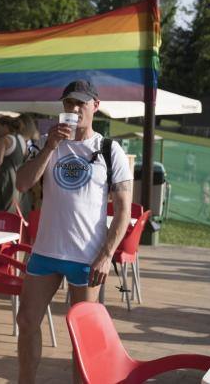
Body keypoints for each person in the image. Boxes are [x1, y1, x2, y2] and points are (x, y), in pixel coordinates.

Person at [15, 79, 133, 384]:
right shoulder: (47, 142)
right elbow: (22, 183)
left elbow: (123, 211)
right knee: (26, 321)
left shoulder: (110, 149)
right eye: (69, 103)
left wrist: (106, 256)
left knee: (83, 335)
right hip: (46, 251)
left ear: (95, 106)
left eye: (82, 103)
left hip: (86, 256)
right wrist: (51, 146)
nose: (75, 109)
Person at [0, 116, 26, 212]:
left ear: (5, 127)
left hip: (5, 178)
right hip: (19, 177)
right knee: (14, 207)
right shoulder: (21, 139)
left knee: (1, 207)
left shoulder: (5, 139)